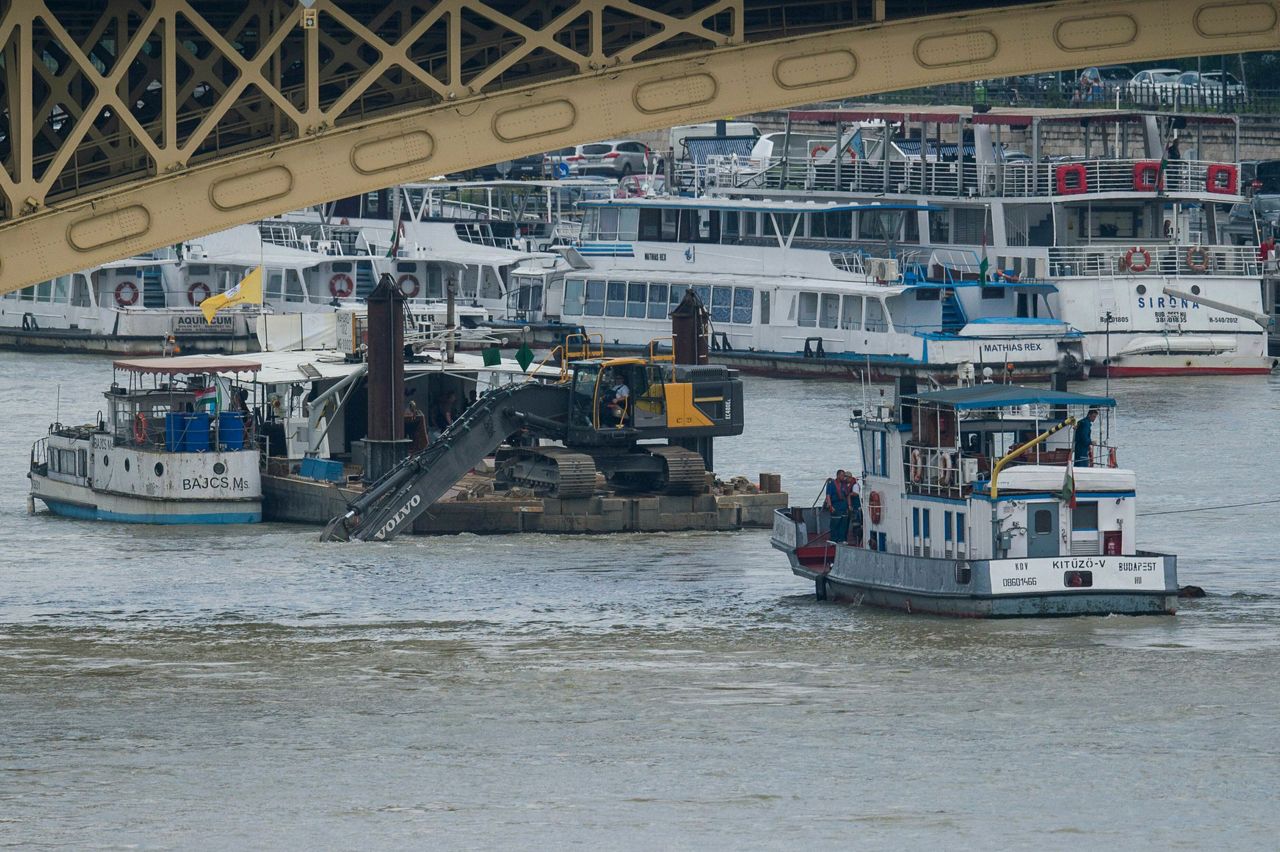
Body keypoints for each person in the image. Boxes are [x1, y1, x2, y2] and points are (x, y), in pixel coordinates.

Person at [825, 470, 849, 545]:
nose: (843, 477)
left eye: (844, 475)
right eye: (842, 475)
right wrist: (830, 506)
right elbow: (828, 495)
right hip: (836, 506)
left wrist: (849, 505)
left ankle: (842, 539)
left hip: (844, 506)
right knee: (835, 524)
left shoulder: (844, 484)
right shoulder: (831, 484)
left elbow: (847, 495)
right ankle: (834, 540)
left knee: (843, 524)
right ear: (838, 475)